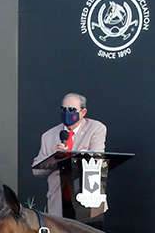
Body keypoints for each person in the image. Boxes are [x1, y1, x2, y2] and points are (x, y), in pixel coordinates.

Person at [31, 92, 107, 221]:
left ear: (83, 112)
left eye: (72, 109)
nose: (67, 113)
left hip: (88, 199)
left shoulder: (95, 128)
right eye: (63, 109)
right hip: (59, 203)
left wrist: (68, 154)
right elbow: (36, 170)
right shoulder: (48, 136)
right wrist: (54, 157)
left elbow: (97, 158)